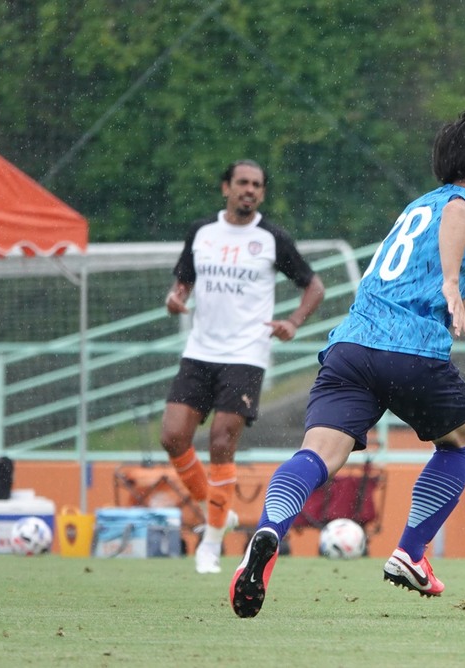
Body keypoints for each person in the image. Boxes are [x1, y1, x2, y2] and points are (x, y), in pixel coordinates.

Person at [229, 111, 465, 618]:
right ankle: (410, 552)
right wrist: (452, 279)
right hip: (410, 353)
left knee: (319, 452)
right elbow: (458, 221)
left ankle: (271, 527)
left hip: (350, 349)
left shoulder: (417, 208)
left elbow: (446, 298)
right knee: (462, 439)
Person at [160, 159, 325, 575]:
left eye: (256, 185)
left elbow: (314, 285)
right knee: (173, 437)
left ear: (262, 194)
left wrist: (293, 322)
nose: (248, 190)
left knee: (220, 440)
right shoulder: (202, 233)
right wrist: (176, 298)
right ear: (226, 188)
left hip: (246, 354)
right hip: (200, 351)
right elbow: (184, 281)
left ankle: (211, 543)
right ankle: (217, 511)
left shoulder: (271, 238)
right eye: (242, 183)